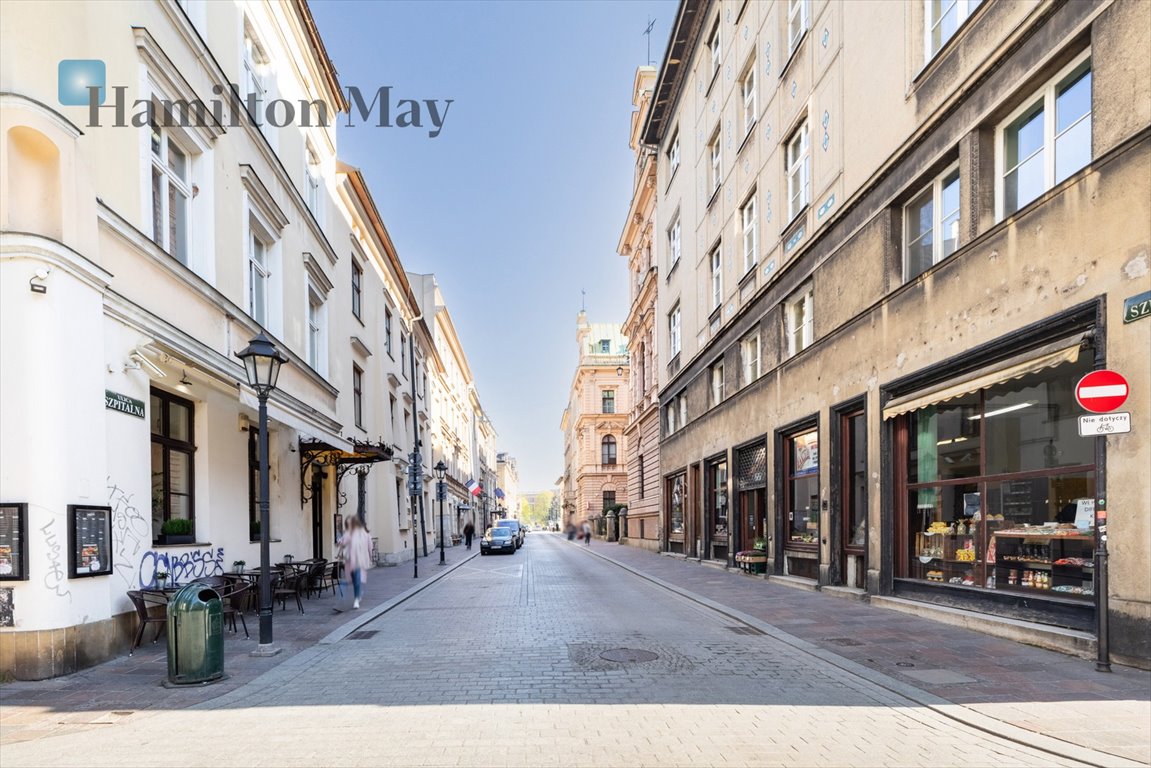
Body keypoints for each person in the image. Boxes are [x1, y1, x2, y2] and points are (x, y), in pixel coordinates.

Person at [337, 516, 373, 609]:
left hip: (359, 562)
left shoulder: (364, 534)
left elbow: (370, 547)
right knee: (349, 581)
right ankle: (352, 597)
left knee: (356, 580)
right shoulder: (348, 534)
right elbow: (343, 542)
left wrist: (369, 558)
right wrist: (340, 542)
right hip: (349, 562)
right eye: (347, 524)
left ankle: (356, 600)